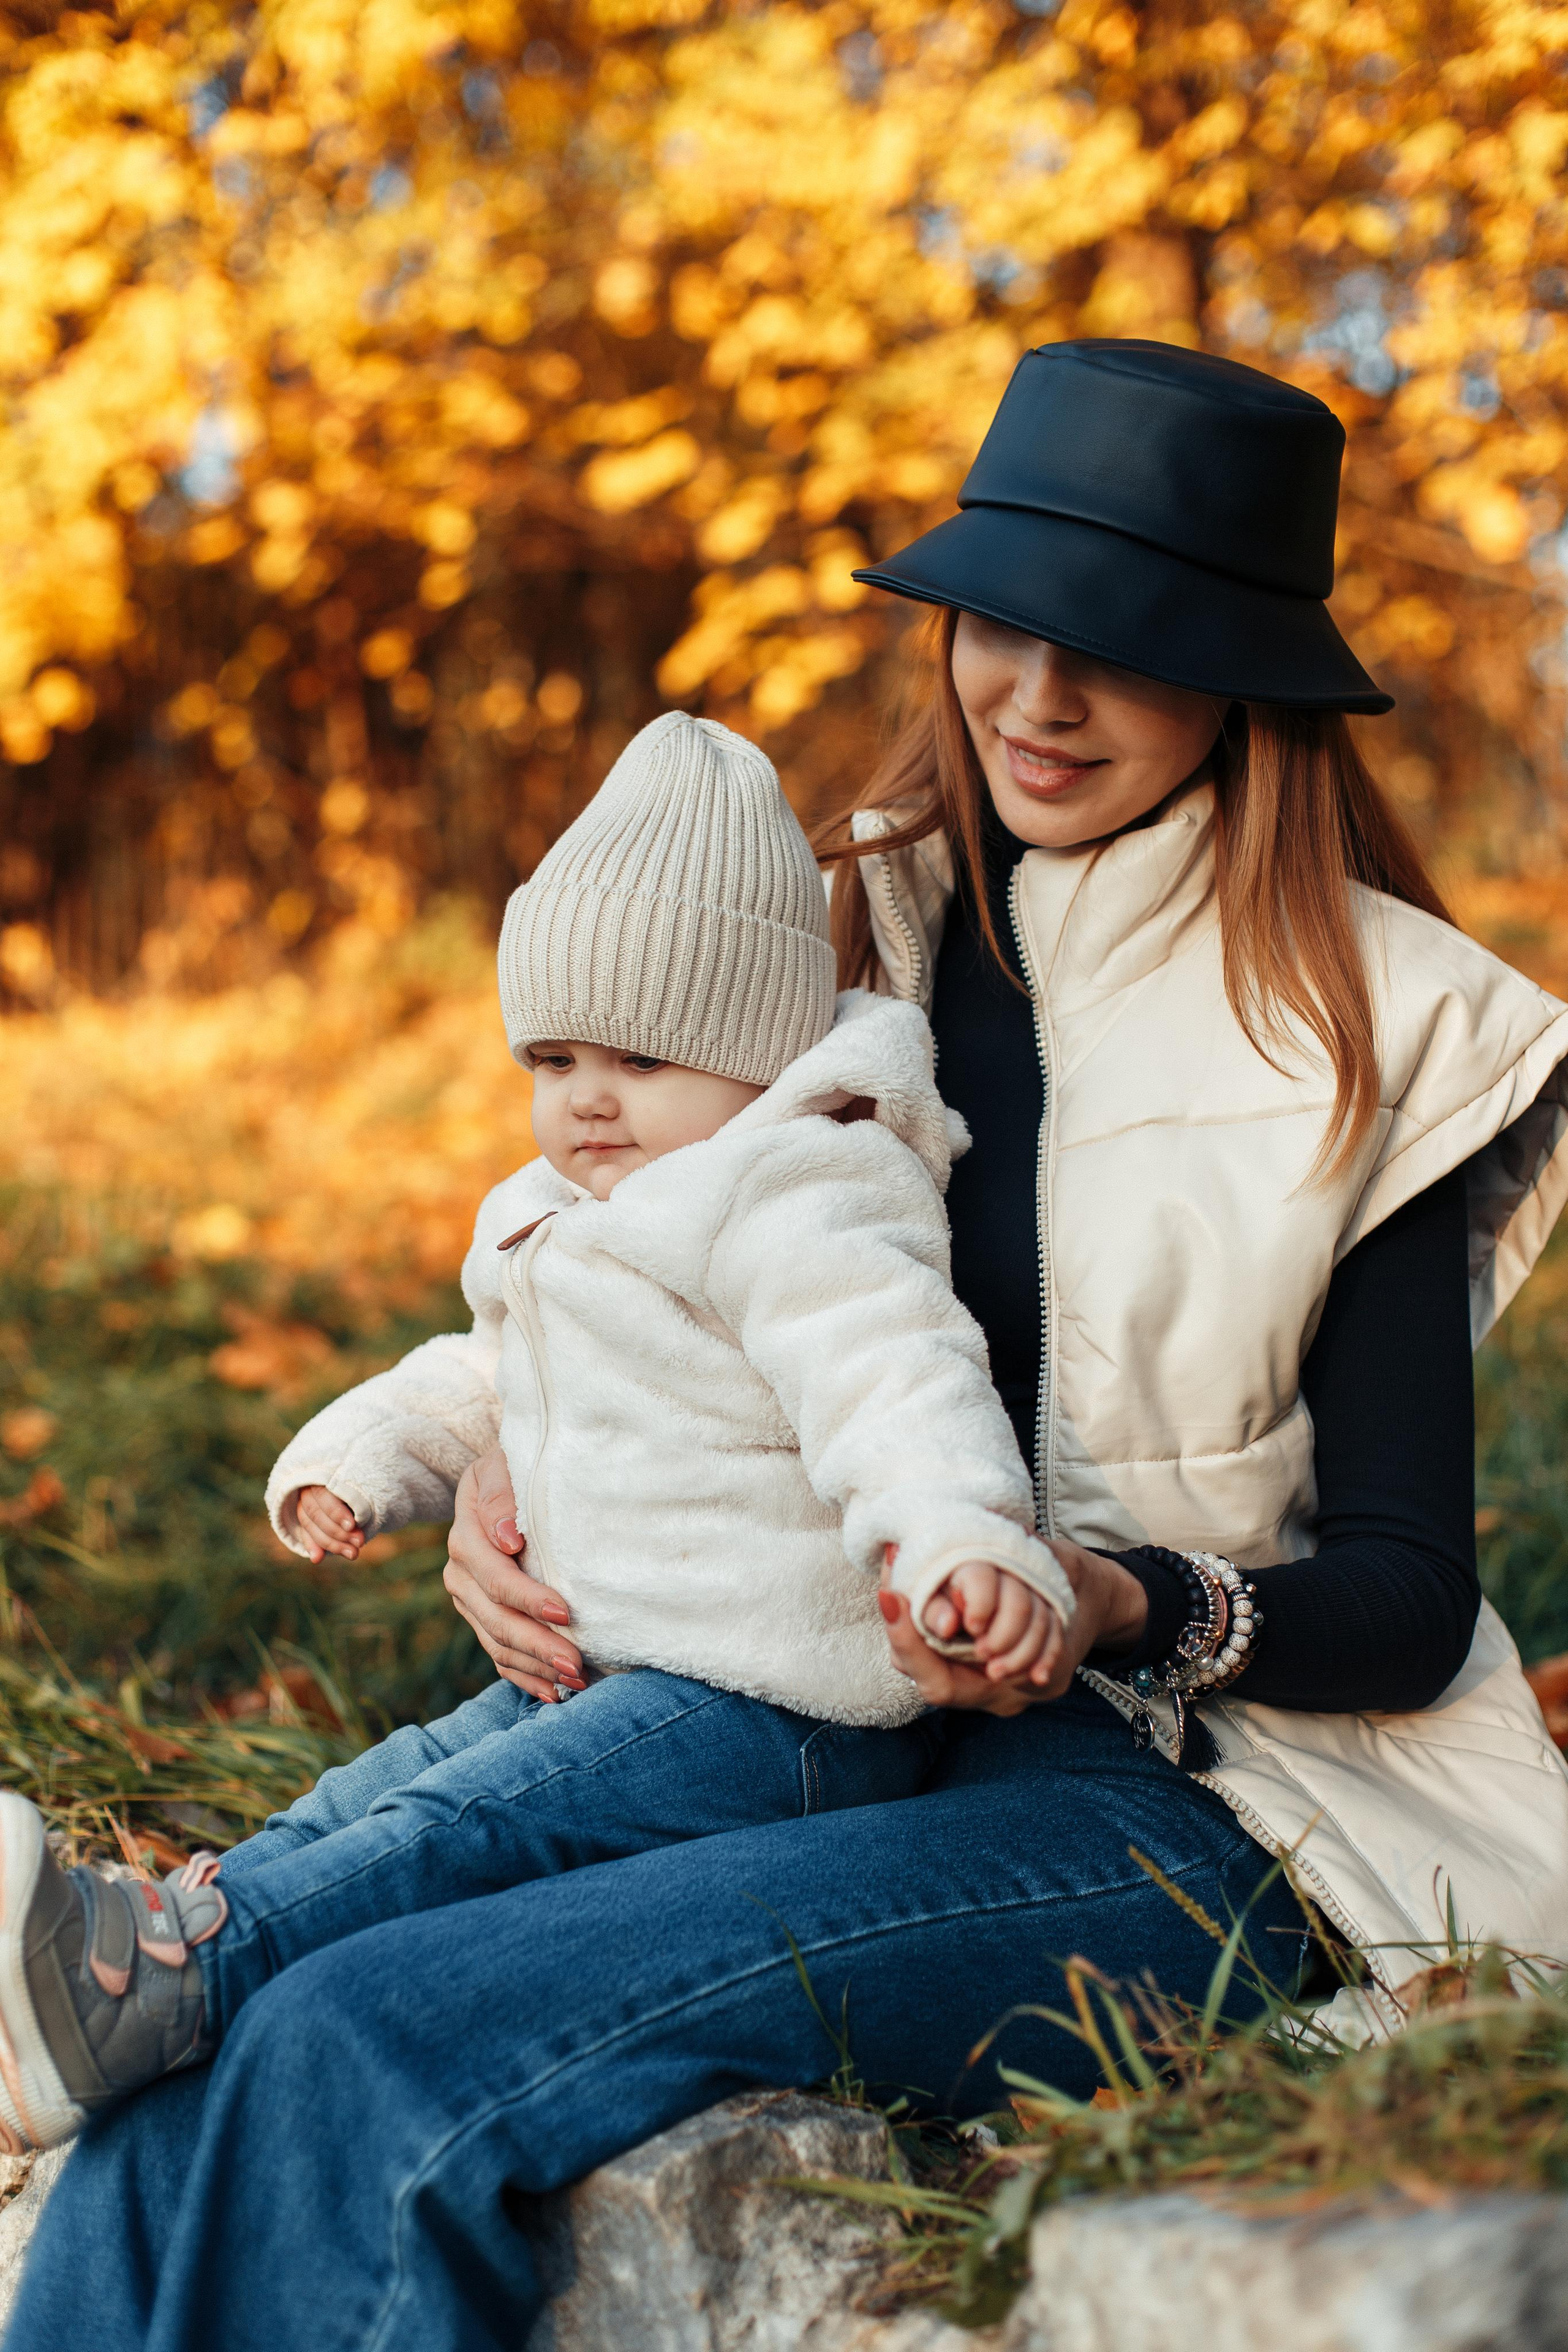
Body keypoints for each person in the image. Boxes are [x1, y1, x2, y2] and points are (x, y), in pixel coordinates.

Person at [11, 339, 1568, 2352]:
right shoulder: (845, 922)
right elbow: (636, 1264)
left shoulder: (1383, 1028)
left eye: (1126, 636)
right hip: (807, 1716)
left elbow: (1408, 1600)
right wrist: (511, 1480)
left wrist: (1106, 1599)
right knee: (175, 2059)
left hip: (1210, 1813)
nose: (1042, 694)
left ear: (1250, 670)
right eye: (1005, 621)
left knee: (379, 2045)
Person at [0, 712, 1074, 2152]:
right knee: (388, 1787)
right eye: (553, 1055)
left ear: (751, 1051)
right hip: (623, 1667)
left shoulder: (799, 1191)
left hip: (780, 1707)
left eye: (635, 1056)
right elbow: (489, 1369)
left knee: (466, 1829)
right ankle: (137, 1949)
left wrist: (953, 1538)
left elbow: (890, 1371)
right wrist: (364, 1457)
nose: (582, 1097)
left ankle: (183, 1984)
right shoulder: (577, 1204)